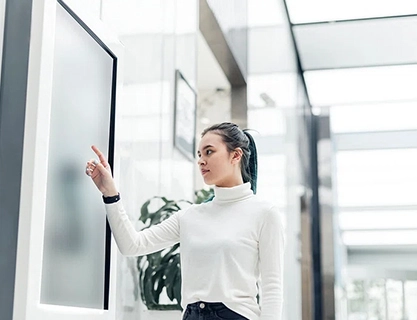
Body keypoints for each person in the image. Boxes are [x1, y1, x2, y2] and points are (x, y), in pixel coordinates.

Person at [85, 122, 285, 320]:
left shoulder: (265, 213)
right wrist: (110, 194)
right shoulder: (190, 216)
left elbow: (272, 287)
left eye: (209, 152)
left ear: (236, 155)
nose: (201, 161)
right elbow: (132, 245)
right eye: (199, 154)